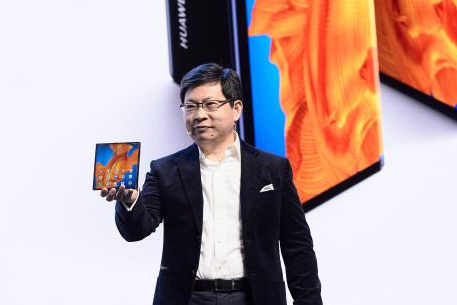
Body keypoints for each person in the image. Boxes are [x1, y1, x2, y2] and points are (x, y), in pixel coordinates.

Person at [101, 63, 322, 305]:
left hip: (253, 297)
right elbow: (137, 230)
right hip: (188, 298)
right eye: (190, 106)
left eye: (210, 104)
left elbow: (296, 244)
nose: (199, 115)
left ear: (236, 109)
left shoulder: (273, 169)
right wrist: (130, 201)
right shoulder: (164, 170)